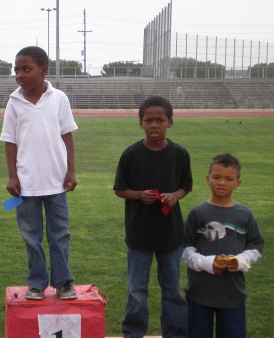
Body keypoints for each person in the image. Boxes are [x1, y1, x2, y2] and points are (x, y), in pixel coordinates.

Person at [0, 46, 78, 301]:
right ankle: (36, 283)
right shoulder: (14, 102)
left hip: (56, 182)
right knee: (31, 237)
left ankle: (63, 282)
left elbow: (67, 135)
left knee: (60, 235)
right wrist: (13, 176)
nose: (19, 75)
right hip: (26, 184)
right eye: (16, 70)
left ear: (43, 71)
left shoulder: (59, 98)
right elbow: (10, 141)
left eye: (26, 69)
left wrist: (71, 170)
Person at [113, 95, 191, 338]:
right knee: (137, 289)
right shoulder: (131, 154)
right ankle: (133, 333)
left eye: (160, 120)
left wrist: (175, 196)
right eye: (148, 120)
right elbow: (119, 189)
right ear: (140, 123)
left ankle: (176, 332)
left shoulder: (179, 153)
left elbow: (186, 185)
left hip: (171, 234)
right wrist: (139, 195)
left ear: (170, 122)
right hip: (139, 234)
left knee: (173, 290)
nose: (154, 125)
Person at [182, 153, 264, 338]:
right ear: (207, 179)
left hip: (232, 294)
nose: (221, 182)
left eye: (229, 179)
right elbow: (184, 248)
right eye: (216, 177)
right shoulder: (197, 213)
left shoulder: (245, 215)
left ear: (238, 183)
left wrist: (240, 261)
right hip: (199, 293)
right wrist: (206, 263)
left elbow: (257, 246)